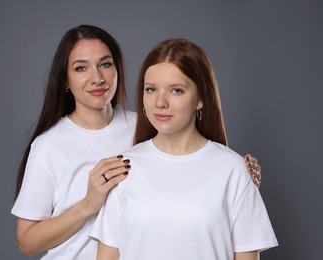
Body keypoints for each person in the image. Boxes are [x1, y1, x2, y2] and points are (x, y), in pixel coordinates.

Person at [11, 25, 262, 259]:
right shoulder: (49, 147)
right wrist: (88, 204)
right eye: (81, 68)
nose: (97, 78)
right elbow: (27, 242)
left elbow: (193, 166)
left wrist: (237, 179)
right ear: (64, 80)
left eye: (105, 64)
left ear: (118, 68)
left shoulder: (151, 125)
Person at [90, 38, 278, 260]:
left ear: (200, 98)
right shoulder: (123, 169)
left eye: (176, 90)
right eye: (151, 89)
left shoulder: (233, 170)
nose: (160, 102)